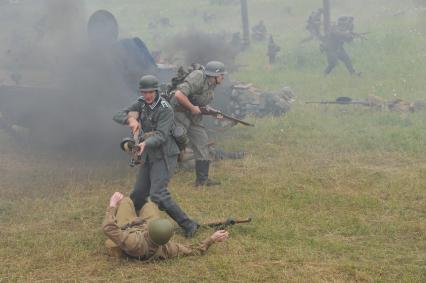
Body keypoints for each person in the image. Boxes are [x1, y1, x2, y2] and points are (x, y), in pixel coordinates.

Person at [113, 75, 199, 237]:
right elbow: (117, 114)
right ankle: (134, 225)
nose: (147, 95)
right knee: (138, 194)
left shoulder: (165, 108)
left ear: (156, 91)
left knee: (158, 194)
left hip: (165, 154)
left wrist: (144, 144)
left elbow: (161, 136)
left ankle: (188, 224)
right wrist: (130, 120)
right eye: (144, 92)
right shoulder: (141, 103)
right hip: (148, 155)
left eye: (150, 92)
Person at [103, 192, 230, 260]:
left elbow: (108, 228)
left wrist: (113, 204)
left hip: (128, 228)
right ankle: (138, 206)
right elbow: (194, 250)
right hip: (141, 229)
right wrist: (212, 239)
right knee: (148, 203)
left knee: (126, 201)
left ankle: (130, 206)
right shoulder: (168, 248)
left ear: (149, 229)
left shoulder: (133, 242)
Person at [170, 61, 227, 187]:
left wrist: (211, 111)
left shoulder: (211, 84)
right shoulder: (198, 77)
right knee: (177, 140)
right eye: (222, 75)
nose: (223, 77)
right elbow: (179, 94)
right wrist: (191, 107)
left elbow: (200, 102)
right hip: (178, 113)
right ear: (215, 75)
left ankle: (202, 181)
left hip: (193, 117)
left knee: (202, 142)